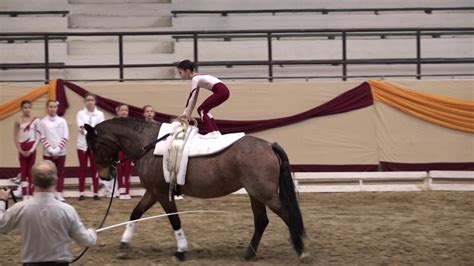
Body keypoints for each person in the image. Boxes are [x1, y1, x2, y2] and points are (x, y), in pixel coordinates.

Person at [0, 160, 97, 265]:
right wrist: (92, 233)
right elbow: (85, 241)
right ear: (55, 180)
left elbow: (1, 225)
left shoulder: (20, 208)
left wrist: (2, 201)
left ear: (33, 180)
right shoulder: (67, 210)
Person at [177, 59, 230, 138]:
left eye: (180, 73)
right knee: (204, 110)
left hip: (221, 91)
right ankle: (216, 132)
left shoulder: (195, 79)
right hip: (224, 91)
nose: (180, 75)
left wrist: (185, 113)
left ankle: (212, 132)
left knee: (201, 110)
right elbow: (194, 98)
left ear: (187, 71)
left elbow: (191, 96)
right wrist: (188, 113)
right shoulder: (198, 77)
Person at [76, 93, 105, 201]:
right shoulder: (80, 113)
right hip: (82, 144)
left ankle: (96, 193)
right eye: (88, 100)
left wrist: (92, 133)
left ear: (95, 101)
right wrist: (90, 132)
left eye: (92, 100)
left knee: (95, 169)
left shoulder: (100, 114)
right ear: (85, 102)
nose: (90, 102)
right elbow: (81, 126)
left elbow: (100, 128)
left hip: (95, 145)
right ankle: (81, 192)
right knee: (82, 169)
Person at [39, 100, 69, 202]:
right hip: (48, 153)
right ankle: (50, 193)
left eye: (54, 107)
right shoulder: (42, 122)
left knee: (60, 173)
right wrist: (51, 150)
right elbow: (42, 138)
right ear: (47, 108)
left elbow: (65, 136)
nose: (52, 109)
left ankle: (59, 193)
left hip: (61, 152)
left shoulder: (62, 121)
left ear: (57, 108)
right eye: (50, 107)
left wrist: (57, 150)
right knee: (48, 173)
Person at [13, 100, 40, 199]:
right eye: (25, 108)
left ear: (31, 108)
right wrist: (20, 149)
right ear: (21, 109)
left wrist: (32, 150)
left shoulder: (36, 120)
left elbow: (38, 136)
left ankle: (31, 193)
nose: (27, 109)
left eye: (29, 107)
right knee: (23, 171)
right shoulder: (18, 120)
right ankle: (24, 194)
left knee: (30, 170)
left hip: (31, 147)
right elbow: (15, 137)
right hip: (22, 148)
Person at [116, 104, 132, 200]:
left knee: (127, 171)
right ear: (118, 112)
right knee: (119, 171)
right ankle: (121, 191)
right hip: (119, 150)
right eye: (122, 110)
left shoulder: (130, 123)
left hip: (128, 150)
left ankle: (127, 191)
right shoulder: (115, 124)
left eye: (125, 110)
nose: (124, 112)